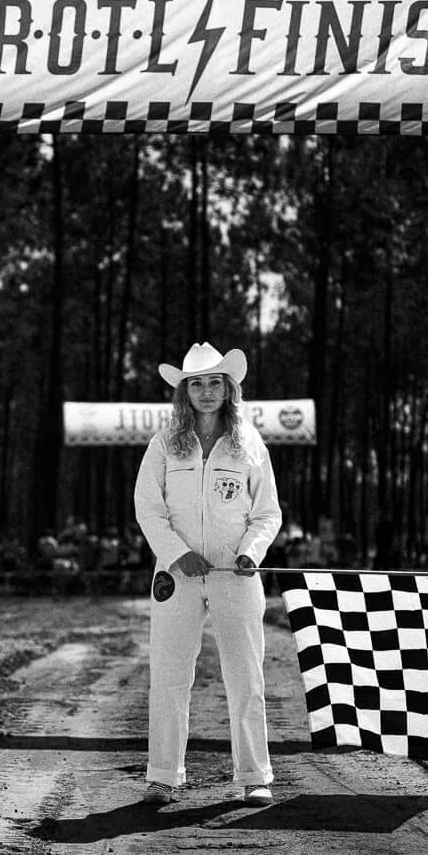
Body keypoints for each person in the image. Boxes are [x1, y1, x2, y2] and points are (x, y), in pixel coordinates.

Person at [134, 342, 282, 807]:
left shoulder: (250, 444)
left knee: (245, 676)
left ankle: (255, 776)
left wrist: (250, 553)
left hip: (235, 575)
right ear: (183, 391)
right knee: (170, 675)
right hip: (176, 577)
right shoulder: (163, 444)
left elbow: (267, 514)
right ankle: (163, 775)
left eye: (214, 382)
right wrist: (177, 555)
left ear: (229, 388)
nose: (205, 391)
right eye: (195, 383)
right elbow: (148, 509)